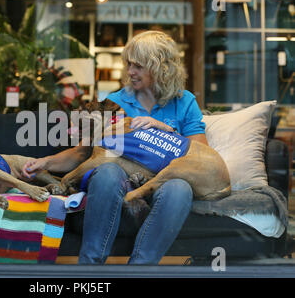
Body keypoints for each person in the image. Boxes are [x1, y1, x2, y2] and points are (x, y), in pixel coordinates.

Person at [22, 30, 208, 265]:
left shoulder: (185, 101)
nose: (130, 72)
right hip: (120, 179)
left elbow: (201, 154)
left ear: (162, 68)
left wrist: (165, 130)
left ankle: (139, 271)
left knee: (180, 188)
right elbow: (82, 152)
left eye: (138, 66)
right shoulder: (116, 102)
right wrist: (45, 162)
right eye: (129, 64)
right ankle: (90, 270)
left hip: (162, 181)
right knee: (108, 170)